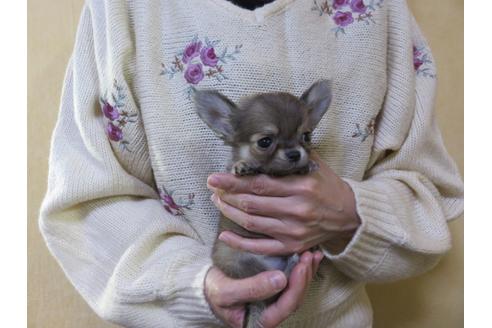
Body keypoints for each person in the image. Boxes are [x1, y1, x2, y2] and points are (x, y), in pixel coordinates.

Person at [39, 0, 464, 327]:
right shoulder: (123, 10)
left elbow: (429, 195)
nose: (293, 150)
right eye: (267, 142)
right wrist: (195, 283)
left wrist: (352, 212)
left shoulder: (380, 12)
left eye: (302, 138)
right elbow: (90, 201)